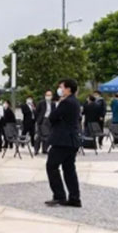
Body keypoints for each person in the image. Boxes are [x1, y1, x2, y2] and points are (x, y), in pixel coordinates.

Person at [45, 78, 82, 208]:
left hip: (63, 140)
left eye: (61, 87)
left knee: (52, 166)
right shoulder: (75, 101)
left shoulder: (66, 102)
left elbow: (52, 117)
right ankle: (74, 197)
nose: (59, 89)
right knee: (69, 169)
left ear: (68, 89)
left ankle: (59, 195)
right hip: (71, 140)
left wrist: (58, 105)